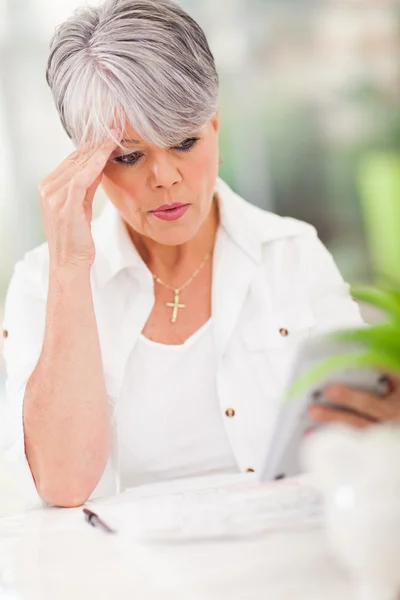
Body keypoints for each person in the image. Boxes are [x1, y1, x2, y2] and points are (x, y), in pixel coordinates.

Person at [1, 0, 396, 511]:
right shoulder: (42, 282)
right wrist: (71, 267)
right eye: (129, 155)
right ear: (87, 162)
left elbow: (357, 442)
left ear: (214, 125)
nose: (164, 177)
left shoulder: (291, 253)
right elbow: (62, 484)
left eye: (184, 141)